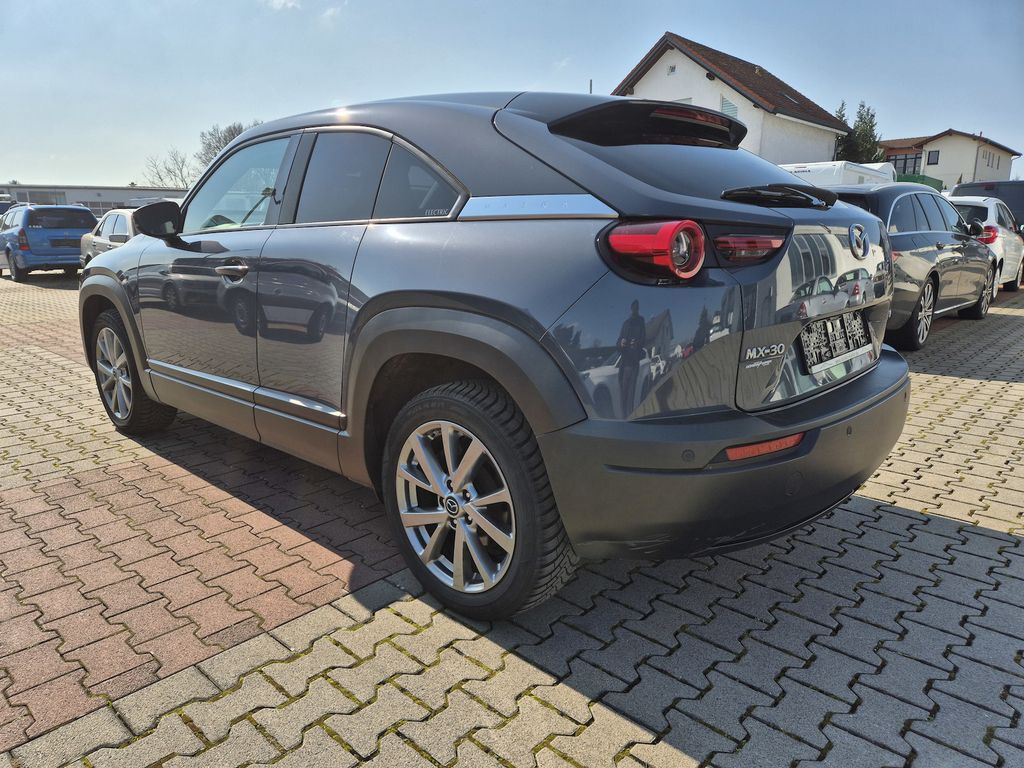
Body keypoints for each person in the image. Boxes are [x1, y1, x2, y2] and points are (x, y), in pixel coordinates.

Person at [616, 300, 646, 417]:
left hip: (634, 364)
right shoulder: (626, 323)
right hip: (624, 364)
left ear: (638, 309)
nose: (635, 310)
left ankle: (629, 418)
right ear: (631, 309)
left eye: (636, 308)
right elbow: (618, 341)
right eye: (633, 308)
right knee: (623, 395)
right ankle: (624, 418)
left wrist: (637, 343)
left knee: (630, 396)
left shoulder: (641, 322)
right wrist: (621, 343)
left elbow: (644, 340)